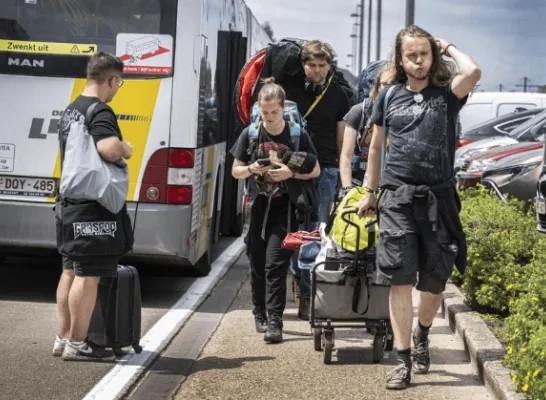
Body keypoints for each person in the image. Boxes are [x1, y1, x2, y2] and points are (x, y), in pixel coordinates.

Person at [357, 25, 481, 390]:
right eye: (411, 54)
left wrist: (448, 47)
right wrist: (370, 191)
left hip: (438, 201)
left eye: (424, 53)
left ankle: (423, 332)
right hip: (396, 199)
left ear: (433, 55)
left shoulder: (447, 94)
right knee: (398, 280)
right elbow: (377, 147)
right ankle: (403, 358)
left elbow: (472, 72)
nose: (418, 60)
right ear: (401, 58)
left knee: (434, 281)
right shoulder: (389, 95)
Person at [53, 52, 133, 360]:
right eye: (119, 83)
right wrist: (125, 148)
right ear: (111, 80)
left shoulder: (72, 109)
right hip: (92, 206)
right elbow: (109, 149)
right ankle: (78, 343)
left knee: (70, 270)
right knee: (87, 275)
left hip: (68, 205)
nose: (117, 89)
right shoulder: (101, 110)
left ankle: (63, 338)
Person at [230, 77, 320, 343]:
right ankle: (259, 312)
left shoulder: (297, 135)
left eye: (274, 112)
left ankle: (275, 321)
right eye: (265, 112)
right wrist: (250, 169)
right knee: (257, 263)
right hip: (258, 205)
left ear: (283, 108)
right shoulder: (251, 133)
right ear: (259, 108)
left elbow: (315, 169)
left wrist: (290, 173)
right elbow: (236, 169)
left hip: (285, 207)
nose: (269, 117)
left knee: (275, 265)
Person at [282, 40, 352, 318]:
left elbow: (341, 135)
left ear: (329, 65)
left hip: (325, 168)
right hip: (293, 167)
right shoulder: (291, 89)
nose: (317, 70)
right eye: (311, 65)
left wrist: (338, 172)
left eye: (322, 65)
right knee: (294, 226)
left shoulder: (338, 95)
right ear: (303, 65)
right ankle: (298, 276)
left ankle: (308, 288)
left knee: (317, 227)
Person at [339, 61, 395, 195]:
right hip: (358, 183)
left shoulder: (405, 115)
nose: (389, 90)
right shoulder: (360, 112)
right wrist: (347, 189)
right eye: (385, 85)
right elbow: (346, 156)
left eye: (394, 85)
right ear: (377, 85)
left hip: (391, 186)